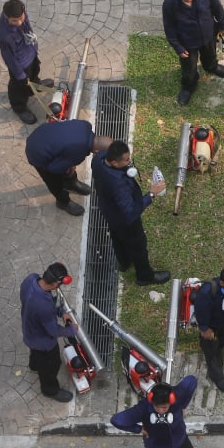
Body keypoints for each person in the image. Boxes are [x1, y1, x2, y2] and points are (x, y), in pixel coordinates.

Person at [90, 140, 170, 286]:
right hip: (125, 221)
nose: (129, 162)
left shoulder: (98, 159)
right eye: (126, 160)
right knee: (138, 247)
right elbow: (131, 212)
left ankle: (124, 262)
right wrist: (151, 194)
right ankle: (144, 276)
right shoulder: (119, 185)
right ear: (114, 163)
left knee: (117, 238)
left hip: (109, 212)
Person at [162, 0, 224, 107]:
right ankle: (189, 86)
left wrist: (223, 24)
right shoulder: (169, 4)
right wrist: (178, 47)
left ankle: (211, 67)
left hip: (208, 35)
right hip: (187, 42)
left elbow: (217, 7)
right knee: (189, 68)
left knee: (210, 55)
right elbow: (169, 27)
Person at [25, 119, 113, 216]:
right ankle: (63, 202)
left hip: (41, 134)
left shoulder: (86, 126)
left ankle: (71, 184)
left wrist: (69, 164)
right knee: (54, 181)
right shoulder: (79, 151)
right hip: (36, 152)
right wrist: (66, 167)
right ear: (97, 151)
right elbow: (53, 169)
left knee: (69, 164)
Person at [19, 262, 77, 403]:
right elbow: (53, 330)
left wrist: (61, 311)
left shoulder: (31, 279)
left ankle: (34, 365)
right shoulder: (42, 306)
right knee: (52, 364)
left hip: (29, 331)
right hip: (43, 343)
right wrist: (71, 330)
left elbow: (49, 302)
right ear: (54, 284)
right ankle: (50, 389)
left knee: (36, 355)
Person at [0, 0, 53, 125]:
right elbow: (9, 57)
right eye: (15, 21)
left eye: (21, 18)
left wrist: (33, 44)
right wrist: (20, 75)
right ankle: (19, 107)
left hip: (30, 54)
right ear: (6, 16)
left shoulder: (21, 14)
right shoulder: (3, 34)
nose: (20, 22)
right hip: (19, 65)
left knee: (34, 72)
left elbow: (27, 28)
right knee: (18, 87)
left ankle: (34, 87)